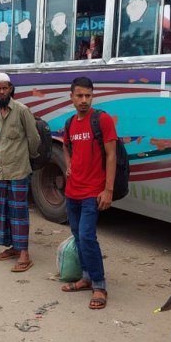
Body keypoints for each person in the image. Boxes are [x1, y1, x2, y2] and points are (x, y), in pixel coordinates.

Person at [60, 77, 115, 310]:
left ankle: (100, 285)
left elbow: (112, 155)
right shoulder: (70, 123)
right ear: (71, 97)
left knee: (87, 236)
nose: (84, 100)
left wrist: (108, 190)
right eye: (80, 96)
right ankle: (85, 277)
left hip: (93, 191)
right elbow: (65, 145)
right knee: (78, 234)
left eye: (88, 96)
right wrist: (68, 164)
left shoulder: (101, 120)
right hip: (72, 191)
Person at [0, 72, 40, 272]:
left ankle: (24, 254)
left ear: (11, 89)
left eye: (5, 88)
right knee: (5, 212)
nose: (2, 92)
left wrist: (29, 157)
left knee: (19, 213)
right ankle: (13, 247)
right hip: (2, 170)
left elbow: (34, 138)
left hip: (19, 170)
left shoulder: (22, 110)